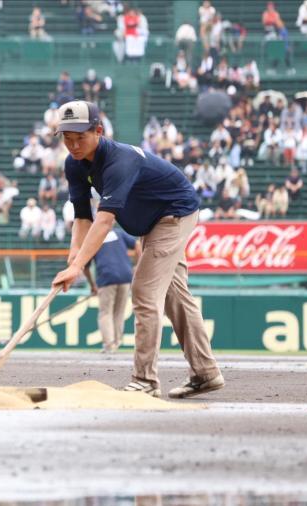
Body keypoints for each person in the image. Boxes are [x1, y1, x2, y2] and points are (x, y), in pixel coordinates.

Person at [51, 100, 223, 399]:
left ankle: (145, 380)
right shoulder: (74, 164)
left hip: (173, 214)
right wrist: (73, 258)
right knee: (175, 297)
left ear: (98, 131)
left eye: (80, 137)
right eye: (67, 138)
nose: (74, 145)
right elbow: (82, 216)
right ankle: (205, 373)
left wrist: (79, 266)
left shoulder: (120, 160)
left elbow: (104, 220)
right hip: (149, 223)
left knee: (143, 292)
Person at [94, 223, 141, 355]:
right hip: (126, 276)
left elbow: (85, 266)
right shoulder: (118, 233)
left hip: (106, 277)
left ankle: (109, 345)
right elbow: (138, 244)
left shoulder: (93, 237)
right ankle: (116, 342)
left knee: (105, 312)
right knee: (118, 312)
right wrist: (138, 264)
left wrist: (92, 285)